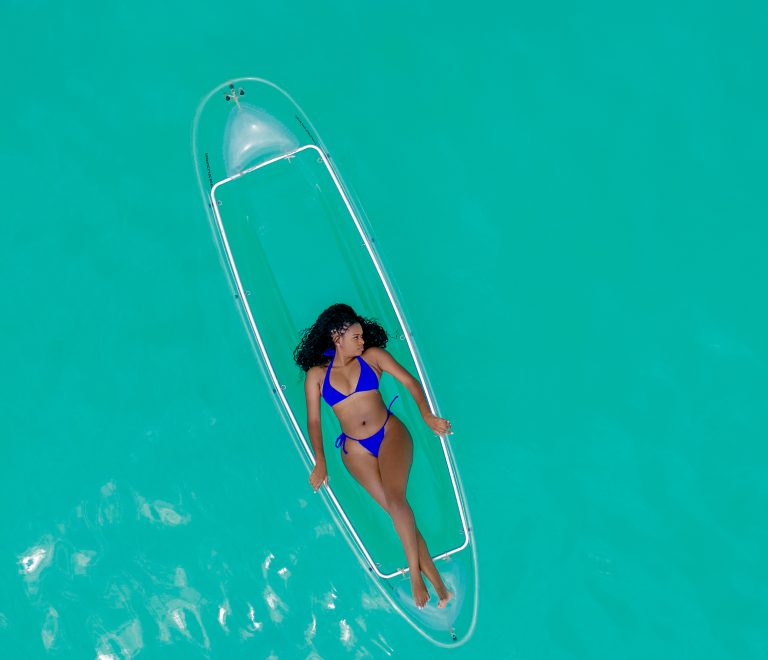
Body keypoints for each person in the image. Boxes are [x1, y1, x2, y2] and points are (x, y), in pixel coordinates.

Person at [294, 303, 454, 609]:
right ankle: (441, 588)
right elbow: (313, 421)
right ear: (337, 336)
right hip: (355, 450)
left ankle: (415, 575)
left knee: (396, 500)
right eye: (356, 337)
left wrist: (427, 416)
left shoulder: (372, 358)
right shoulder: (316, 376)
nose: (362, 341)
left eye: (362, 336)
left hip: (389, 433)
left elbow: (410, 382)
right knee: (396, 511)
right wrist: (321, 460)